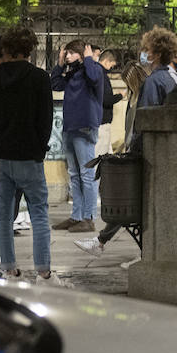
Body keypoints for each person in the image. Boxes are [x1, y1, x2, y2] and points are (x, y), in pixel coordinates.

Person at [75, 27, 177, 260]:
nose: (143, 53)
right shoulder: (169, 78)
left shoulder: (154, 82)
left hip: (149, 152)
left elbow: (148, 120)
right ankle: (119, 245)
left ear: (155, 53)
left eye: (147, 50)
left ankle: (122, 246)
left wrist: (134, 149)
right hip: (165, 151)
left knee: (133, 200)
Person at [0, 26, 65, 284]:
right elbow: (45, 119)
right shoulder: (39, 77)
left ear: (5, 48)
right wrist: (39, 149)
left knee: (4, 214)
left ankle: (9, 270)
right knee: (39, 212)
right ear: (29, 49)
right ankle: (43, 272)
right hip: (29, 155)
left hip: (2, 156)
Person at [51, 39, 104, 234]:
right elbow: (55, 84)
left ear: (82, 54)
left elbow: (94, 79)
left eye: (71, 53)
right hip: (70, 128)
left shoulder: (94, 69)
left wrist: (89, 59)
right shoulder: (72, 73)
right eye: (66, 53)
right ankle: (77, 216)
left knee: (86, 174)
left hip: (85, 128)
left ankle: (88, 218)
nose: (67, 56)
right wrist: (59, 64)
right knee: (74, 174)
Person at [96, 49, 123, 156]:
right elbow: (106, 99)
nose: (111, 69)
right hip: (102, 123)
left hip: (100, 122)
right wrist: (120, 96)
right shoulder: (101, 75)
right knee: (100, 156)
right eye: (111, 66)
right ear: (106, 61)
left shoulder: (97, 74)